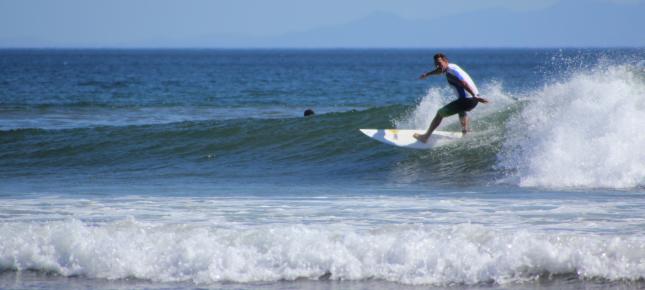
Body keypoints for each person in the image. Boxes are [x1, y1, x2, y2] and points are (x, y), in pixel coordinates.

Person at [413, 53, 489, 143]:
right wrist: (428, 74)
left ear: (446, 61)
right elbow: (440, 70)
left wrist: (475, 96)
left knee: (440, 113)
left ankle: (425, 137)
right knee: (461, 109)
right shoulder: (451, 66)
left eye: (439, 63)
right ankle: (465, 131)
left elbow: (463, 83)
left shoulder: (451, 73)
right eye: (436, 63)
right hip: (472, 99)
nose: (438, 65)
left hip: (469, 100)